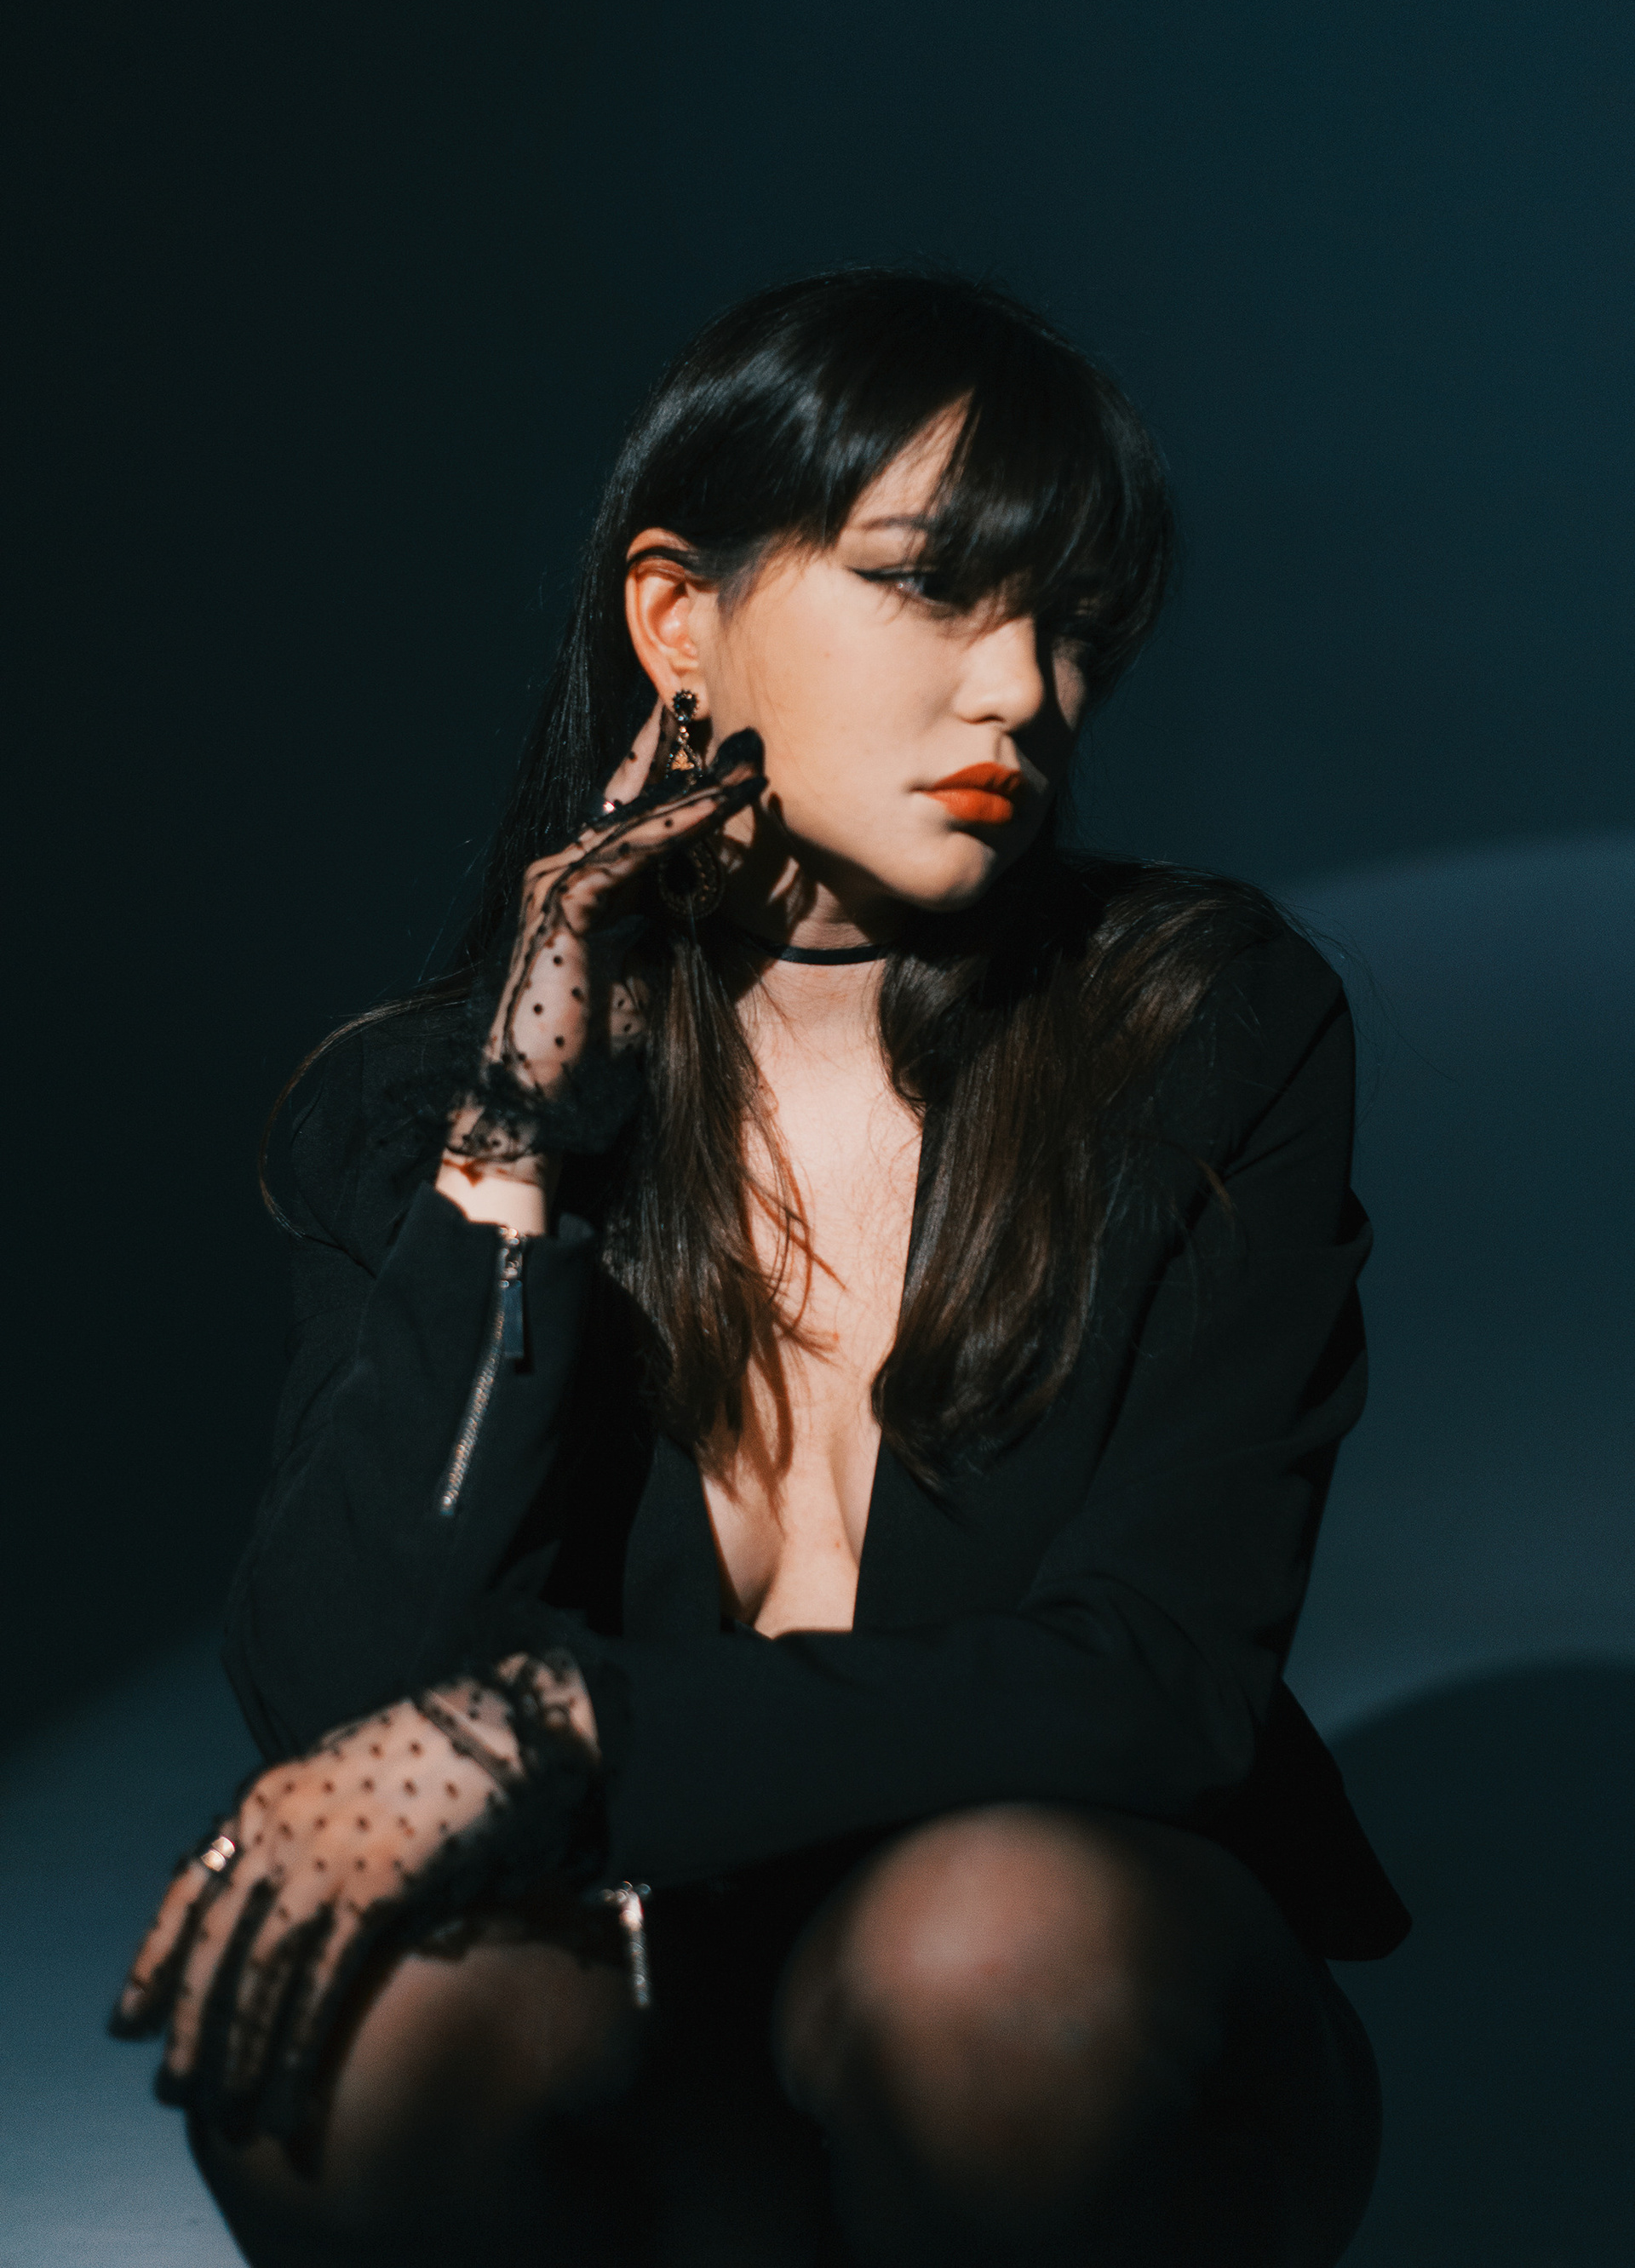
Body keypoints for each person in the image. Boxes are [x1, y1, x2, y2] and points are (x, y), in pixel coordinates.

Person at [113, 266, 1408, 2268]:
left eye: (1075, 626)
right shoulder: (425, 1105)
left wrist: (577, 1730)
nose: (1022, 691)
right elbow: (349, 1713)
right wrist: (520, 1134)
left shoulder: (1203, 1025)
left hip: (1072, 2042)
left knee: (980, 1951)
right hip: (665, 2078)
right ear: (676, 618)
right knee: (349, 2017)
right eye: (928, 586)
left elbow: (1164, 1677)